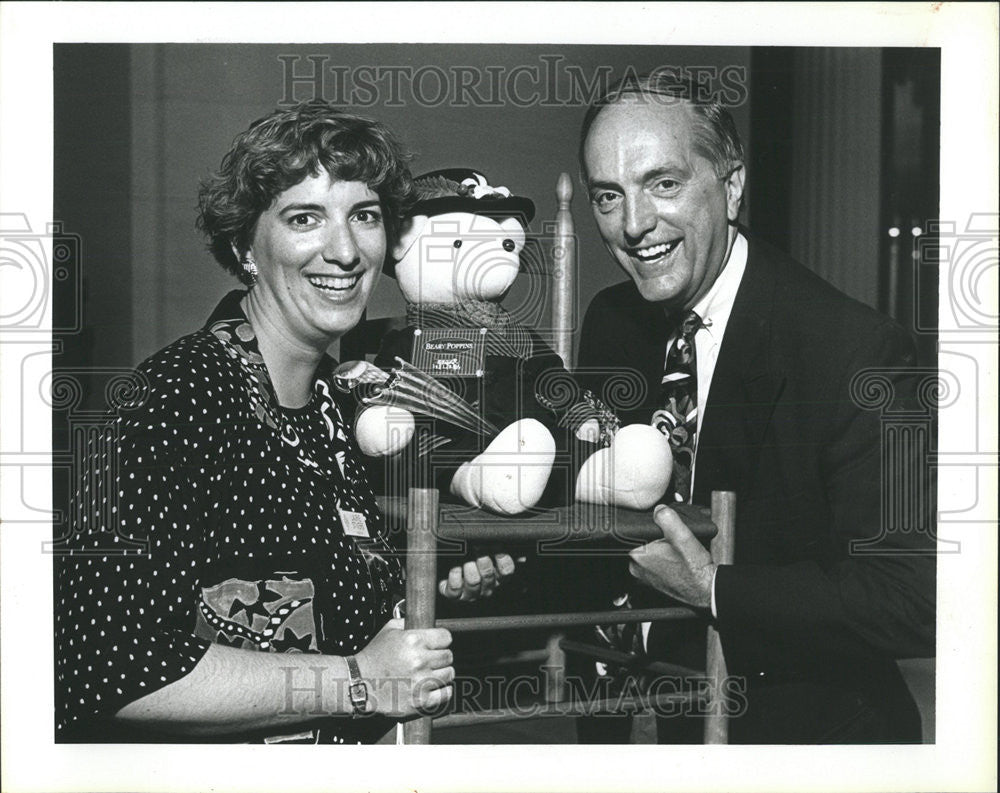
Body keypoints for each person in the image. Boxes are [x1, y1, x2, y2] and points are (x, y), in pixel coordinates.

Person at [53, 100, 512, 744]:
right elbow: (102, 664)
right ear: (245, 246)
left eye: (365, 216)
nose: (346, 250)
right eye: (305, 218)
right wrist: (357, 681)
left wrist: (425, 590)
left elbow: (317, 600)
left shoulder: (339, 408)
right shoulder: (175, 398)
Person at [573, 73, 936, 743]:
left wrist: (713, 586)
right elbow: (600, 534)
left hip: (803, 738)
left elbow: (913, 596)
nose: (633, 224)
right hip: (629, 732)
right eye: (608, 196)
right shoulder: (610, 323)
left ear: (732, 184)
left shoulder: (852, 350)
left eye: (664, 184)